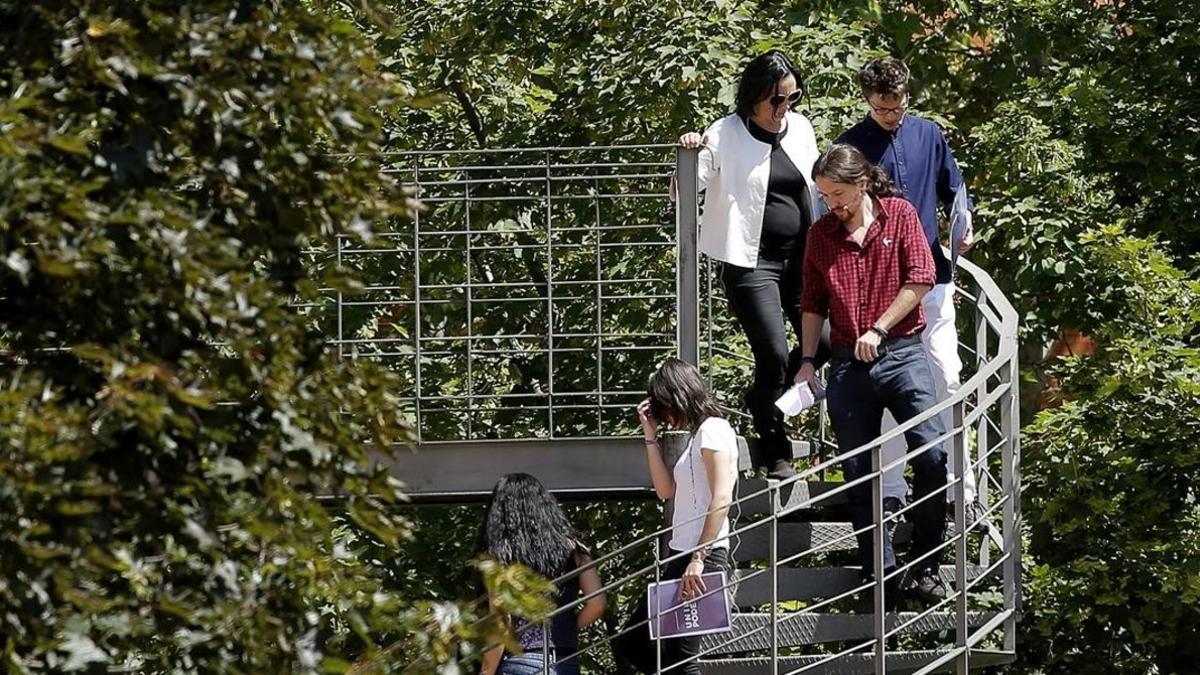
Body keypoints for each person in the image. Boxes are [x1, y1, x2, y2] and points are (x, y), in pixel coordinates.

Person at [795, 144, 948, 602]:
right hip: (847, 364)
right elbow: (812, 303)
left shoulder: (899, 215)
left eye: (838, 194)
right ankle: (877, 574)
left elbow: (922, 277)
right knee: (859, 473)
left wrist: (879, 328)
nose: (833, 205)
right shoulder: (821, 235)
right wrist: (805, 361)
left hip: (902, 354)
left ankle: (927, 565)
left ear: (862, 184)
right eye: (825, 196)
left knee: (933, 454)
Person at [835, 56, 981, 527]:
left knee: (947, 374)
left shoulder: (929, 133)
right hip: (877, 282)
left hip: (932, 276)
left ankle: (963, 483)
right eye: (882, 110)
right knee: (884, 387)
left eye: (898, 107)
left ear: (906, 95)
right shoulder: (851, 145)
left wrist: (965, 222)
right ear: (867, 101)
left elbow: (952, 189)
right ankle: (893, 492)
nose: (891, 116)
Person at [677, 50, 827, 479]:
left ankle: (764, 400)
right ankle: (775, 445)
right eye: (776, 101)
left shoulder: (800, 128)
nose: (785, 109)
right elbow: (685, 191)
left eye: (792, 98)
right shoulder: (724, 133)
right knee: (775, 354)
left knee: (830, 340)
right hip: (751, 262)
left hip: (803, 259)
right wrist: (689, 154)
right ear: (754, 97)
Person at [613, 358, 739, 674]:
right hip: (680, 554)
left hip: (701, 557)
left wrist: (699, 557)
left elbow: (722, 496)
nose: (665, 414)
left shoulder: (713, 430)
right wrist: (650, 436)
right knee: (633, 641)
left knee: (683, 658)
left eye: (664, 405)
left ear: (678, 397)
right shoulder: (697, 436)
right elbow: (665, 490)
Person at [479, 473, 607, 675]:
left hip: (521, 660)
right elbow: (597, 603)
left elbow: (501, 622)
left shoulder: (499, 555)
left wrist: (486, 672)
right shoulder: (574, 549)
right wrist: (567, 629)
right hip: (565, 661)